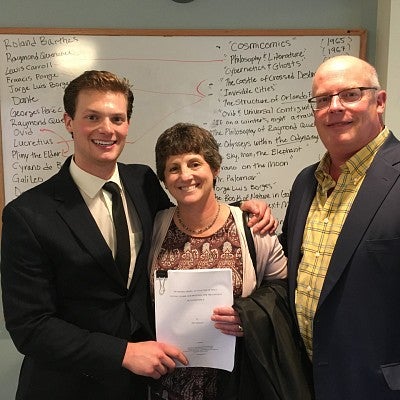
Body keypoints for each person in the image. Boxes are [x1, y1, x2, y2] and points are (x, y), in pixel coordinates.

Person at [0, 70, 276, 400]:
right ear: (69, 121)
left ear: (127, 125)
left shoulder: (142, 182)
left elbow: (185, 218)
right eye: (92, 117)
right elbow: (30, 326)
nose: (107, 129)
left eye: (117, 118)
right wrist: (123, 354)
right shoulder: (27, 214)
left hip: (142, 387)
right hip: (68, 386)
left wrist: (242, 210)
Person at [148, 122, 313, 400]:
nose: (185, 175)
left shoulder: (251, 228)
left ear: (214, 168)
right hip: (170, 383)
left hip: (239, 383)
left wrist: (248, 315)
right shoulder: (154, 227)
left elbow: (285, 288)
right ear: (164, 179)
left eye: (194, 163)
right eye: (173, 168)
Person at [279, 55, 400, 399]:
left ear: (379, 101)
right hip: (306, 380)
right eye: (322, 100)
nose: (334, 108)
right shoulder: (306, 182)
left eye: (350, 95)